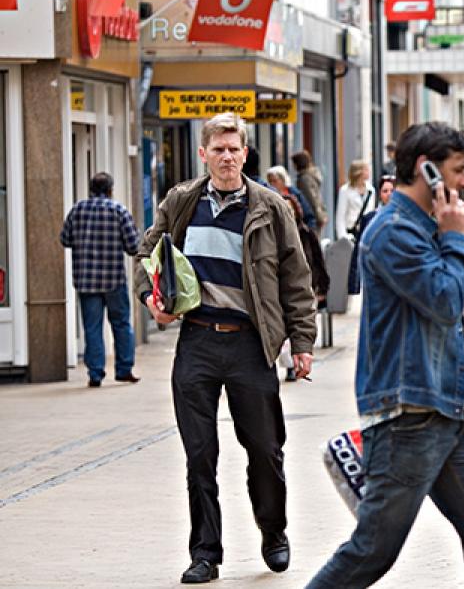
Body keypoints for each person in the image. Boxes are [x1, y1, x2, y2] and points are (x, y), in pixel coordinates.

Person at [307, 122, 464, 588]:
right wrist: (456, 237)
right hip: (409, 419)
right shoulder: (392, 231)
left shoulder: (424, 228)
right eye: (458, 170)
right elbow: (444, 301)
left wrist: (450, 236)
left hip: (447, 411)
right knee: (372, 551)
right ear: (426, 170)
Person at [135, 113, 317, 584]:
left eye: (235, 148)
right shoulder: (181, 202)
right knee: (200, 455)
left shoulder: (270, 207)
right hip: (195, 341)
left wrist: (302, 343)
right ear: (203, 154)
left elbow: (297, 281)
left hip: (249, 346)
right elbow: (147, 257)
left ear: (245, 152)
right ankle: (205, 553)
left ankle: (273, 533)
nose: (227, 156)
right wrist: (152, 299)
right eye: (218, 149)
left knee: (265, 450)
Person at [60, 172, 141, 387]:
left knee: (92, 327)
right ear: (110, 190)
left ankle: (95, 373)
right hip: (114, 278)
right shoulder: (119, 211)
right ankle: (124, 369)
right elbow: (134, 247)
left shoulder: (77, 210)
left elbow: (65, 239)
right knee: (122, 324)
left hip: (86, 280)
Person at [266, 166, 330, 381]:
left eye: (289, 210)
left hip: (304, 285)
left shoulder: (305, 233)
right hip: (277, 290)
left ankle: (292, 362)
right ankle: (288, 362)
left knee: (293, 323)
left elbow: (318, 264)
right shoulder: (271, 237)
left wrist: (322, 288)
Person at [265, 165, 317, 230]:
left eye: (275, 181)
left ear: (283, 180)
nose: (272, 184)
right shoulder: (267, 195)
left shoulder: (295, 194)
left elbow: (308, 215)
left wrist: (309, 229)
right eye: (270, 181)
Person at [335, 160, 375, 241]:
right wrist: (343, 237)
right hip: (350, 234)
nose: (369, 171)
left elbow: (371, 212)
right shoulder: (345, 190)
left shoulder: (371, 190)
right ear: (359, 172)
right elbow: (340, 217)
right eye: (366, 169)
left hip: (366, 233)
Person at [291, 150, 328, 232]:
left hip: (311, 217)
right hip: (315, 215)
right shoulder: (310, 176)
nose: (293, 166)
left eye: (293, 163)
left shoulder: (304, 179)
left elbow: (311, 198)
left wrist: (319, 217)